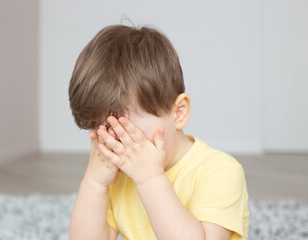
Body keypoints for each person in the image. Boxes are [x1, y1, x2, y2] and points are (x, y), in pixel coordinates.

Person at [68, 24, 249, 240]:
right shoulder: (119, 177)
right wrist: (94, 182)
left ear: (179, 113)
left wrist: (150, 179)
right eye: (105, 133)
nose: (119, 145)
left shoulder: (219, 172)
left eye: (126, 131)